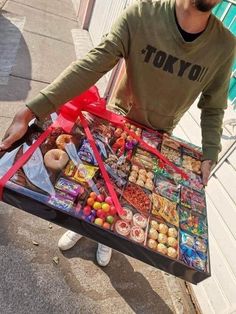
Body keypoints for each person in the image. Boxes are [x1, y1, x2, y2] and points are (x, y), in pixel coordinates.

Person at [0, 0, 235, 266]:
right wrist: (31, 110)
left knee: (124, 197)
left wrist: (211, 152)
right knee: (94, 183)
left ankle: (107, 238)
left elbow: (214, 107)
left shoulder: (224, 45)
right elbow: (92, 64)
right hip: (117, 122)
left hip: (159, 137)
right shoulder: (142, 14)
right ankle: (83, 226)